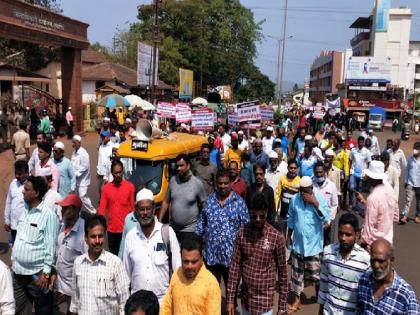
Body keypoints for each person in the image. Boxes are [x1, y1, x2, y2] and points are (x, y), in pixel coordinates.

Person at [227, 193, 288, 315]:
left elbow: (283, 273)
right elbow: (235, 267)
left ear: (266, 213)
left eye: (262, 216)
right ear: (249, 213)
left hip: (265, 302)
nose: (258, 220)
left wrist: (282, 306)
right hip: (246, 299)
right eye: (254, 216)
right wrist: (230, 299)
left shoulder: (276, 237)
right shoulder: (241, 233)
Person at [123, 188, 181, 303]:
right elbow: (126, 275)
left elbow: (178, 270)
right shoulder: (131, 236)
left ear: (154, 208)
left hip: (163, 303)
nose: (145, 213)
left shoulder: (167, 233)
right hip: (138, 304)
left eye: (148, 208)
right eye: (141, 209)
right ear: (136, 211)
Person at [196, 169, 249, 292]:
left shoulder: (239, 203)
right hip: (211, 258)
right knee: (212, 293)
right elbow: (200, 226)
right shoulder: (209, 201)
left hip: (232, 259)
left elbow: (246, 231)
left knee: (232, 294)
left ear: (230, 183)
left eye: (225, 183)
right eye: (220, 183)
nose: (223, 186)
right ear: (216, 184)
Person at [12, 175, 59, 314]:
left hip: (37, 275)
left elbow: (50, 247)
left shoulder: (48, 215)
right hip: (18, 273)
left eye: (26, 189)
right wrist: (14, 257)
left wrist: (46, 273)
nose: (23, 191)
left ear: (36, 193)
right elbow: (20, 237)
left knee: (43, 310)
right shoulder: (24, 210)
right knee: (20, 310)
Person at [70, 214, 130, 314]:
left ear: (105, 236)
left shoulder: (115, 263)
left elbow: (124, 301)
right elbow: (75, 301)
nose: (97, 241)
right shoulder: (78, 263)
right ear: (86, 238)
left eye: (100, 236)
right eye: (93, 237)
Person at [287, 176, 330, 313]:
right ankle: (297, 300)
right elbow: (292, 219)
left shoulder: (319, 199)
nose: (305, 194)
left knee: (316, 276)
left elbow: (326, 219)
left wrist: (315, 204)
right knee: (297, 276)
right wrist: (288, 236)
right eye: (302, 191)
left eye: (307, 191)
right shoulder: (295, 200)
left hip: (314, 246)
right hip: (298, 245)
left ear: (311, 189)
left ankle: (319, 295)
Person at [318, 213, 370, 315]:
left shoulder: (365, 260)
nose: (343, 238)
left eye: (348, 235)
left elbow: (367, 295)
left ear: (357, 235)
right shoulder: (328, 252)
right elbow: (324, 285)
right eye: (341, 233)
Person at [160, 236, 221, 315]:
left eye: (194, 262)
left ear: (202, 258)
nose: (189, 266)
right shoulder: (176, 275)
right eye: (185, 261)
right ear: (181, 258)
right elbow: (166, 307)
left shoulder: (211, 283)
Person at [357, 238, 419, 314]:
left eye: (381, 261)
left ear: (391, 261)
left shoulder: (405, 294)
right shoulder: (364, 281)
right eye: (373, 260)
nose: (376, 265)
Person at [159, 154, 207, 243]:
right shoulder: (173, 180)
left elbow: (204, 206)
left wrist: (204, 227)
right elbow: (166, 201)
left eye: (181, 165)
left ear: (188, 165)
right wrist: (159, 221)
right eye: (177, 166)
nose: (178, 168)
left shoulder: (197, 183)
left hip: (191, 231)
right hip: (174, 229)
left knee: (187, 257)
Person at [52, 194, 87, 313]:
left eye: (66, 208)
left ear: (77, 210)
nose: (62, 210)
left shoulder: (84, 233)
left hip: (77, 289)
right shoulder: (62, 226)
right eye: (62, 207)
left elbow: (90, 262)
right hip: (63, 286)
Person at [357, 161, 399, 249]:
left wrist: (364, 243)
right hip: (388, 240)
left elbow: (369, 226)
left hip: (374, 243)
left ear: (371, 178)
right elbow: (395, 217)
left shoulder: (373, 198)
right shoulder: (390, 191)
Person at [98, 159, 135, 255]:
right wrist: (100, 227)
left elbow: (133, 210)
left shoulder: (130, 187)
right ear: (112, 173)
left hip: (126, 231)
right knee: (114, 257)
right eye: (115, 173)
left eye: (120, 172)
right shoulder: (106, 189)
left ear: (123, 171)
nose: (118, 175)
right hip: (112, 231)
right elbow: (101, 210)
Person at [312, 161, 338, 246]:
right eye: (316, 172)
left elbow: (334, 205)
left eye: (321, 172)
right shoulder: (310, 184)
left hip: (328, 221)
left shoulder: (331, 185)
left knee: (328, 244)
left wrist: (328, 221)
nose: (319, 174)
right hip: (313, 220)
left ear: (325, 172)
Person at [4, 160, 28, 243]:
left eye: (19, 173)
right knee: (15, 249)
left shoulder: (31, 185)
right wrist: (7, 220)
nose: (17, 176)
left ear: (26, 173)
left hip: (26, 226)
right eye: (16, 173)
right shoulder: (13, 183)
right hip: (14, 225)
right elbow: (9, 202)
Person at [71, 135, 96, 215]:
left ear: (79, 143)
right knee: (78, 197)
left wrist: (75, 174)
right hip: (76, 179)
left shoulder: (83, 153)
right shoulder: (74, 152)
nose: (73, 144)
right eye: (72, 142)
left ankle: (93, 211)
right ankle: (78, 212)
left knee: (82, 196)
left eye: (74, 142)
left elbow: (84, 167)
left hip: (83, 179)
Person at [274, 159, 301, 234]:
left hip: (294, 214)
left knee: (291, 236)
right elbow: (277, 195)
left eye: (295, 168)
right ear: (287, 168)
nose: (293, 170)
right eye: (291, 168)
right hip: (283, 213)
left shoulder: (300, 181)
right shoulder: (282, 179)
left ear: (297, 169)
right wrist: (275, 209)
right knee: (281, 234)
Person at [349, 136, 371, 211]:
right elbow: (350, 160)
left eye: (362, 142)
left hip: (362, 174)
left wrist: (367, 174)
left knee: (359, 190)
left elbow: (369, 163)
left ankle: (357, 205)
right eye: (359, 142)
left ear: (364, 142)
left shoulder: (367, 152)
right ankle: (351, 204)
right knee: (351, 187)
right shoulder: (353, 150)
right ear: (357, 142)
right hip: (353, 172)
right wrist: (349, 170)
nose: (361, 143)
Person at [401, 142, 420, 224]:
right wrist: (406, 181)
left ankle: (417, 216)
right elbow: (408, 170)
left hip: (419, 184)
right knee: (408, 200)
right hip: (410, 183)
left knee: (419, 201)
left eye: (417, 148)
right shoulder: (410, 158)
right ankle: (405, 216)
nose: (415, 149)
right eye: (414, 147)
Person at [97, 130, 113, 197]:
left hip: (107, 172)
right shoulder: (101, 146)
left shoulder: (111, 146)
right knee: (99, 188)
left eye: (104, 137)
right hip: (100, 172)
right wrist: (97, 171)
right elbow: (99, 159)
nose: (103, 138)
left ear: (108, 137)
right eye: (102, 137)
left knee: (105, 189)